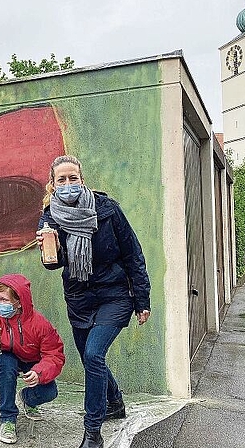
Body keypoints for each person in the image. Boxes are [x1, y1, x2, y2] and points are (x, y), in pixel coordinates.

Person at [36, 155, 151, 448]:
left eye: (72, 178)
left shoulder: (107, 209)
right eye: (61, 180)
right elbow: (53, 264)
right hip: (78, 298)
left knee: (93, 355)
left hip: (114, 294)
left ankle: (92, 432)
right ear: (52, 185)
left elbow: (133, 254)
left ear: (82, 180)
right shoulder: (49, 217)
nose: (68, 184)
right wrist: (50, 248)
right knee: (92, 358)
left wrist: (142, 299)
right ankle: (115, 401)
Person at [0, 274, 65, 444]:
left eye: (4, 300)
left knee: (50, 392)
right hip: (6, 355)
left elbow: (55, 354)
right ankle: (7, 419)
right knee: (6, 366)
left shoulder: (40, 324)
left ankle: (27, 398)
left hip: (32, 360)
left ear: (19, 302)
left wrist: (39, 372)